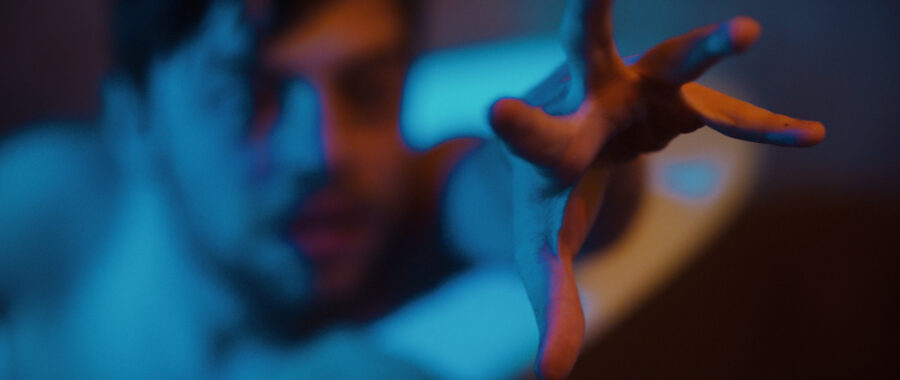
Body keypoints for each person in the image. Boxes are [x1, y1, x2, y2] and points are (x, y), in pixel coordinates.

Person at [0, 0, 824, 379]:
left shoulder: (387, 228)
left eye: (366, 88)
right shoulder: (49, 214)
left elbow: (491, 186)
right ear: (135, 119)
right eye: (243, 94)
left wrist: (586, 169)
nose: (322, 152)